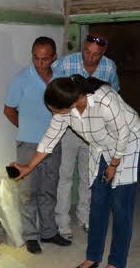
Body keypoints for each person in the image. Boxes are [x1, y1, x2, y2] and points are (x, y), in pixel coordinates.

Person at [13, 75, 140, 268]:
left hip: (128, 145)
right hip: (101, 147)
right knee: (98, 203)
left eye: (55, 110)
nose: (53, 114)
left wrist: (113, 165)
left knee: (121, 205)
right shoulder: (64, 111)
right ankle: (93, 257)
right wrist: (28, 167)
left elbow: (123, 133)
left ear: (71, 102)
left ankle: (116, 262)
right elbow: (49, 140)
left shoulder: (104, 100)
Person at [4, 36, 72, 254]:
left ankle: (49, 232)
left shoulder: (60, 79)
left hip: (53, 144)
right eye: (35, 58)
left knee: (49, 190)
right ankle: (31, 236)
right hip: (28, 144)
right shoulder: (21, 79)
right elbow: (8, 110)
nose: (40, 63)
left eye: (45, 59)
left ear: (54, 58)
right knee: (28, 192)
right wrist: (25, 128)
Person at [51, 34, 120, 239]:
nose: (90, 58)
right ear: (82, 48)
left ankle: (85, 217)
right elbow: (53, 92)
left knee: (88, 176)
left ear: (103, 53)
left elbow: (114, 95)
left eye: (96, 55)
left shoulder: (109, 67)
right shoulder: (66, 63)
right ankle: (62, 223)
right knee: (65, 176)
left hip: (93, 131)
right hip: (69, 130)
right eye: (87, 52)